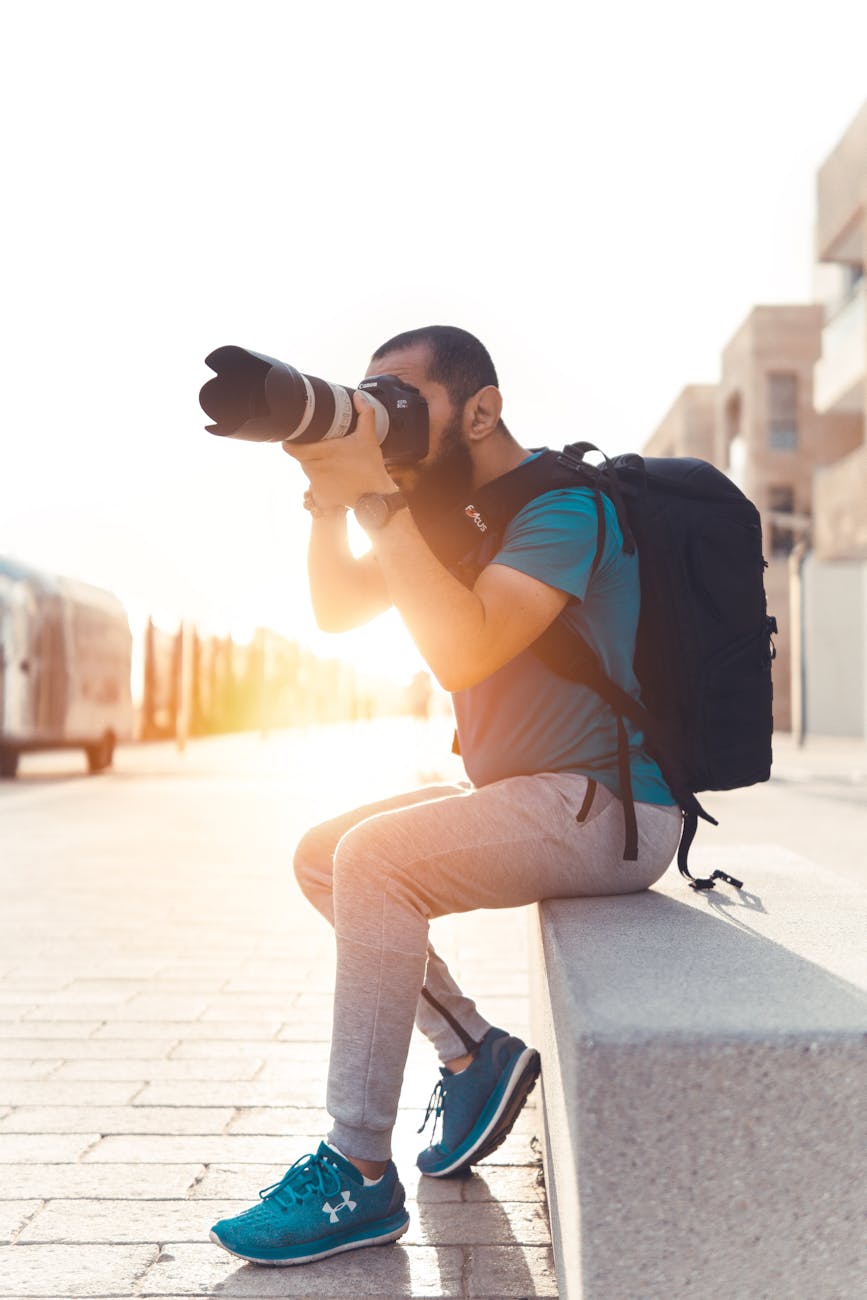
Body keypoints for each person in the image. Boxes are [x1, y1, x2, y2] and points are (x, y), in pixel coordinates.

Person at [209, 325, 681, 1266]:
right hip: (533, 797)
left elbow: (465, 647)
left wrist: (379, 503)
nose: (381, 410)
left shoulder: (560, 506)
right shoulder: (440, 509)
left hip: (613, 810)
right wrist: (326, 496)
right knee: (323, 856)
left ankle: (357, 1171)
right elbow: (340, 610)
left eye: (400, 395)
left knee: (374, 861)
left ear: (481, 408)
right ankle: (474, 1052)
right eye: (368, 393)